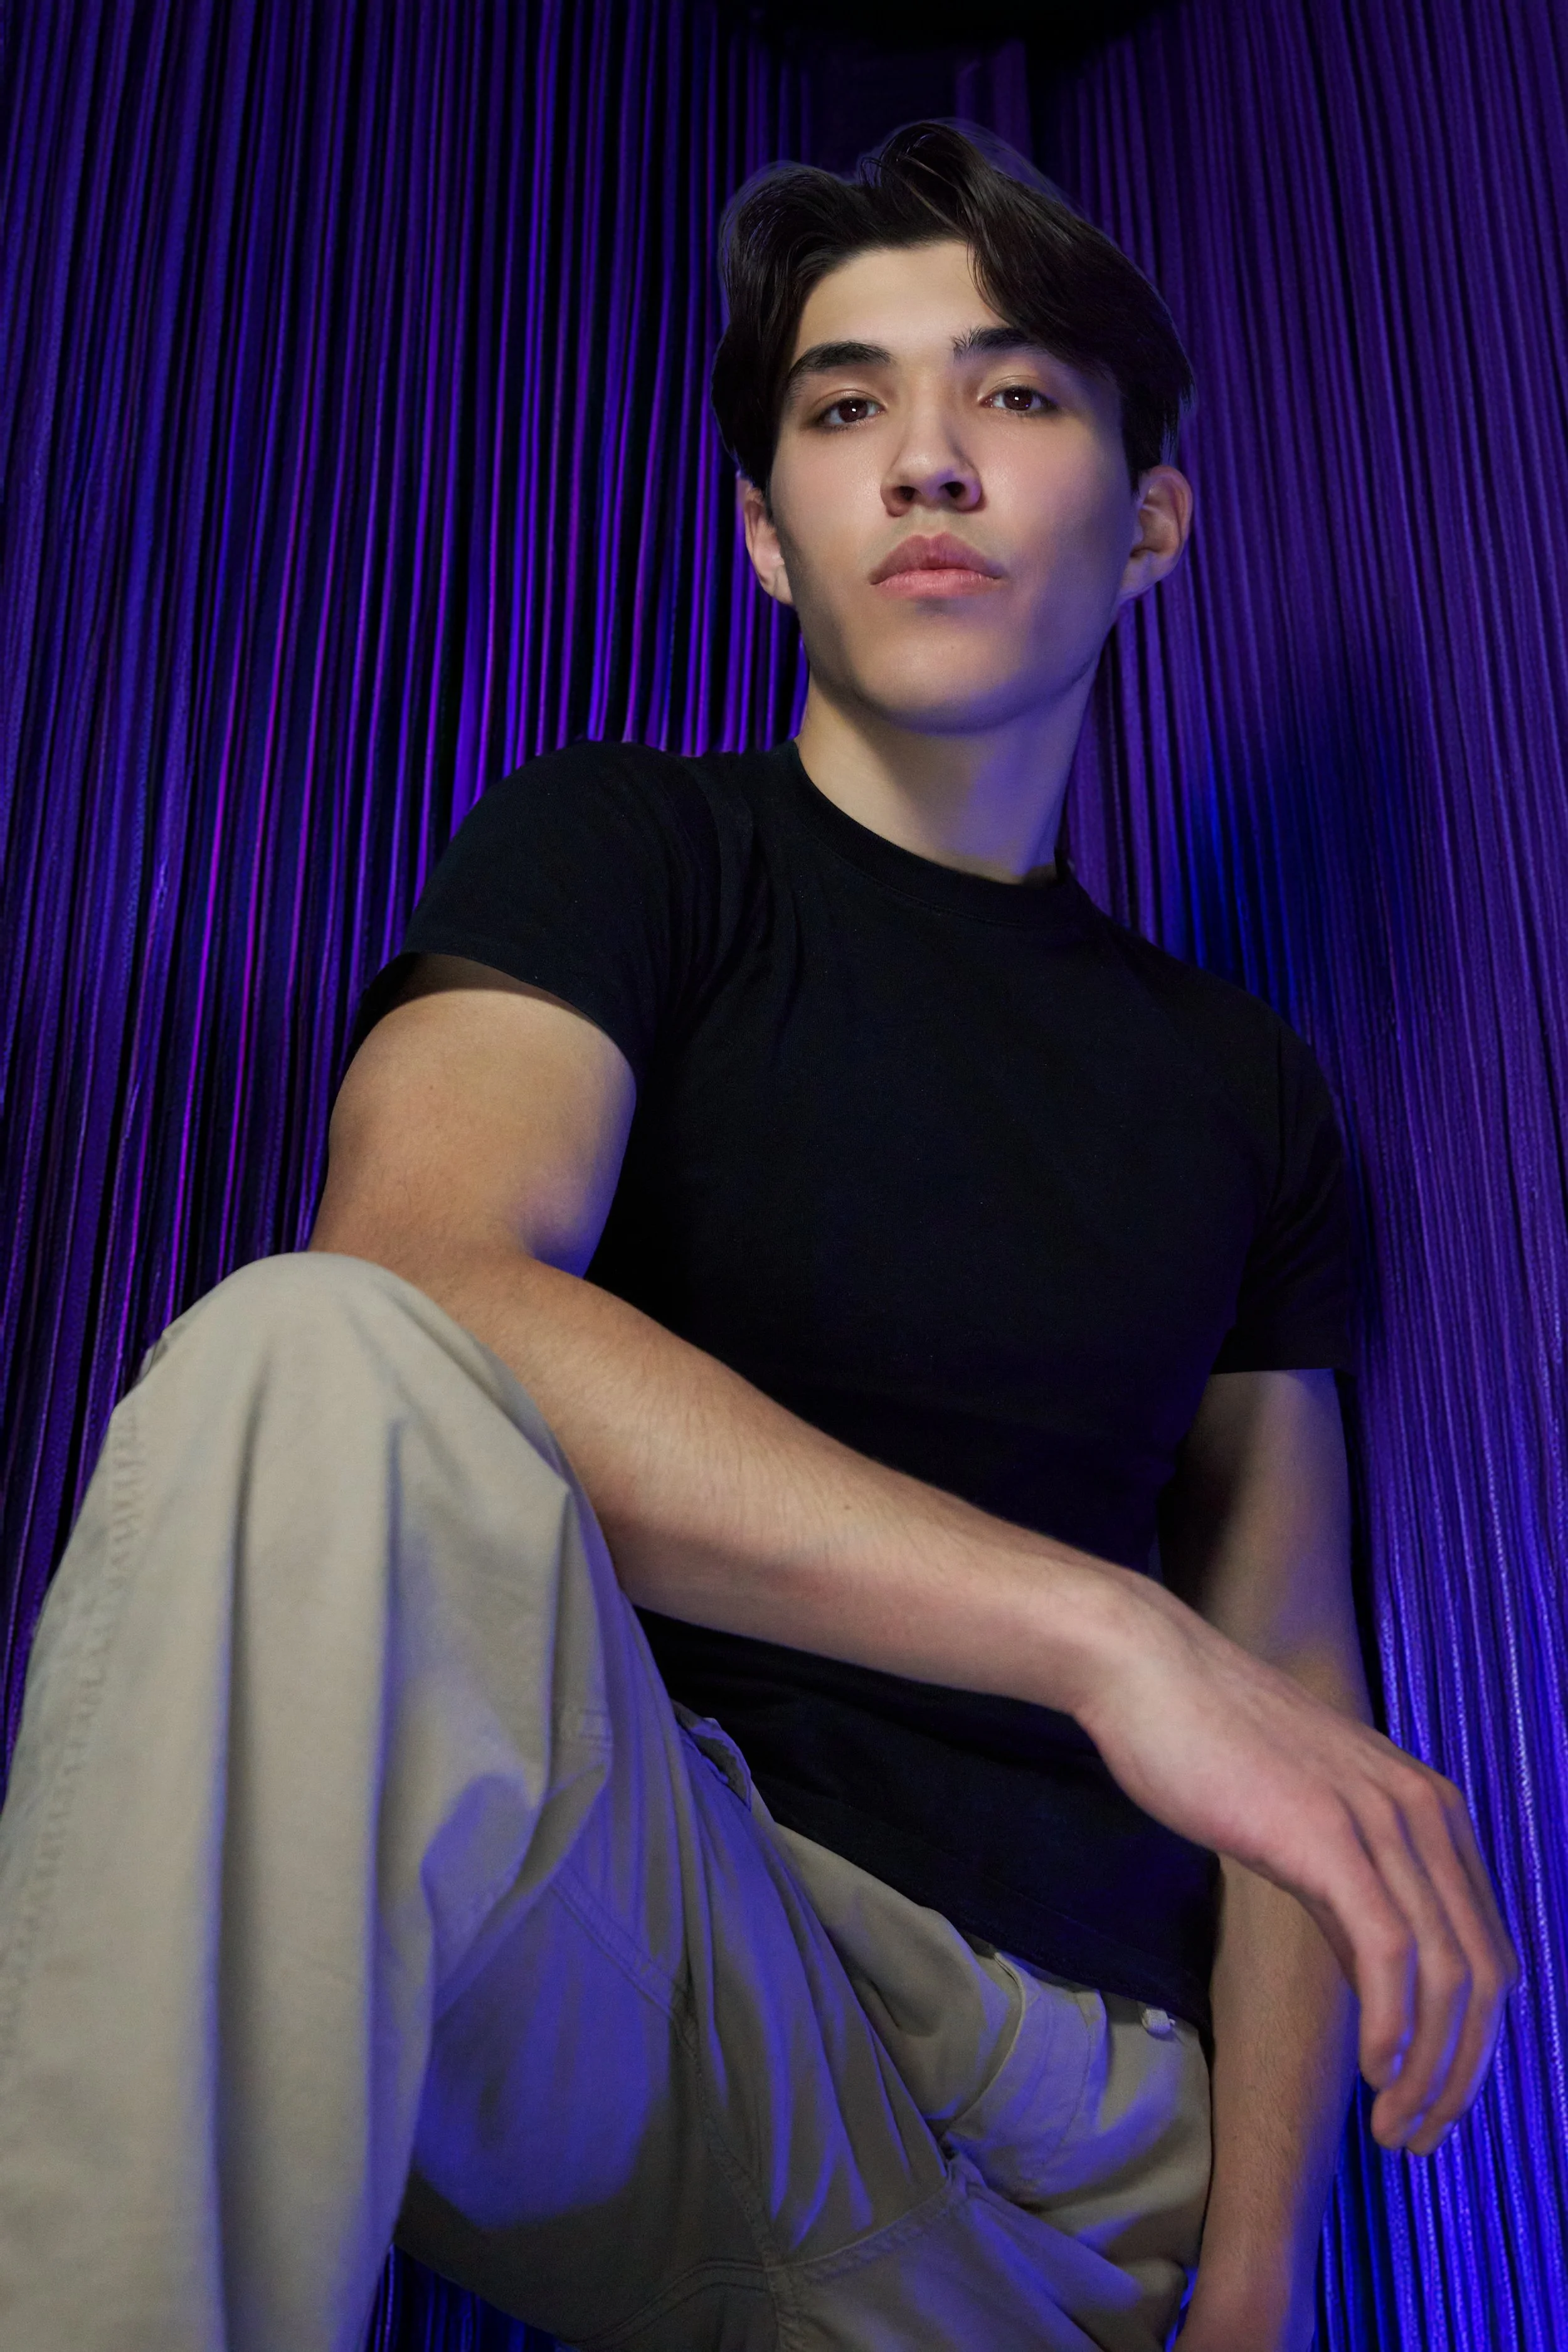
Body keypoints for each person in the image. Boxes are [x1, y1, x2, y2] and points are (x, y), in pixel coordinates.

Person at [0, 122, 1515, 2352]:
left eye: (1008, 395)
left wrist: (1264, 2289)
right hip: (666, 1963)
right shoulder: (625, 845)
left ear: (1150, 519)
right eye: (842, 406)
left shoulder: (1241, 1085)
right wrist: (1107, 1637)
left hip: (1077, 2144)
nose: (922, 461)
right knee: (298, 1355)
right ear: (762, 535)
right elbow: (422, 1275)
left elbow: (1289, 1688)